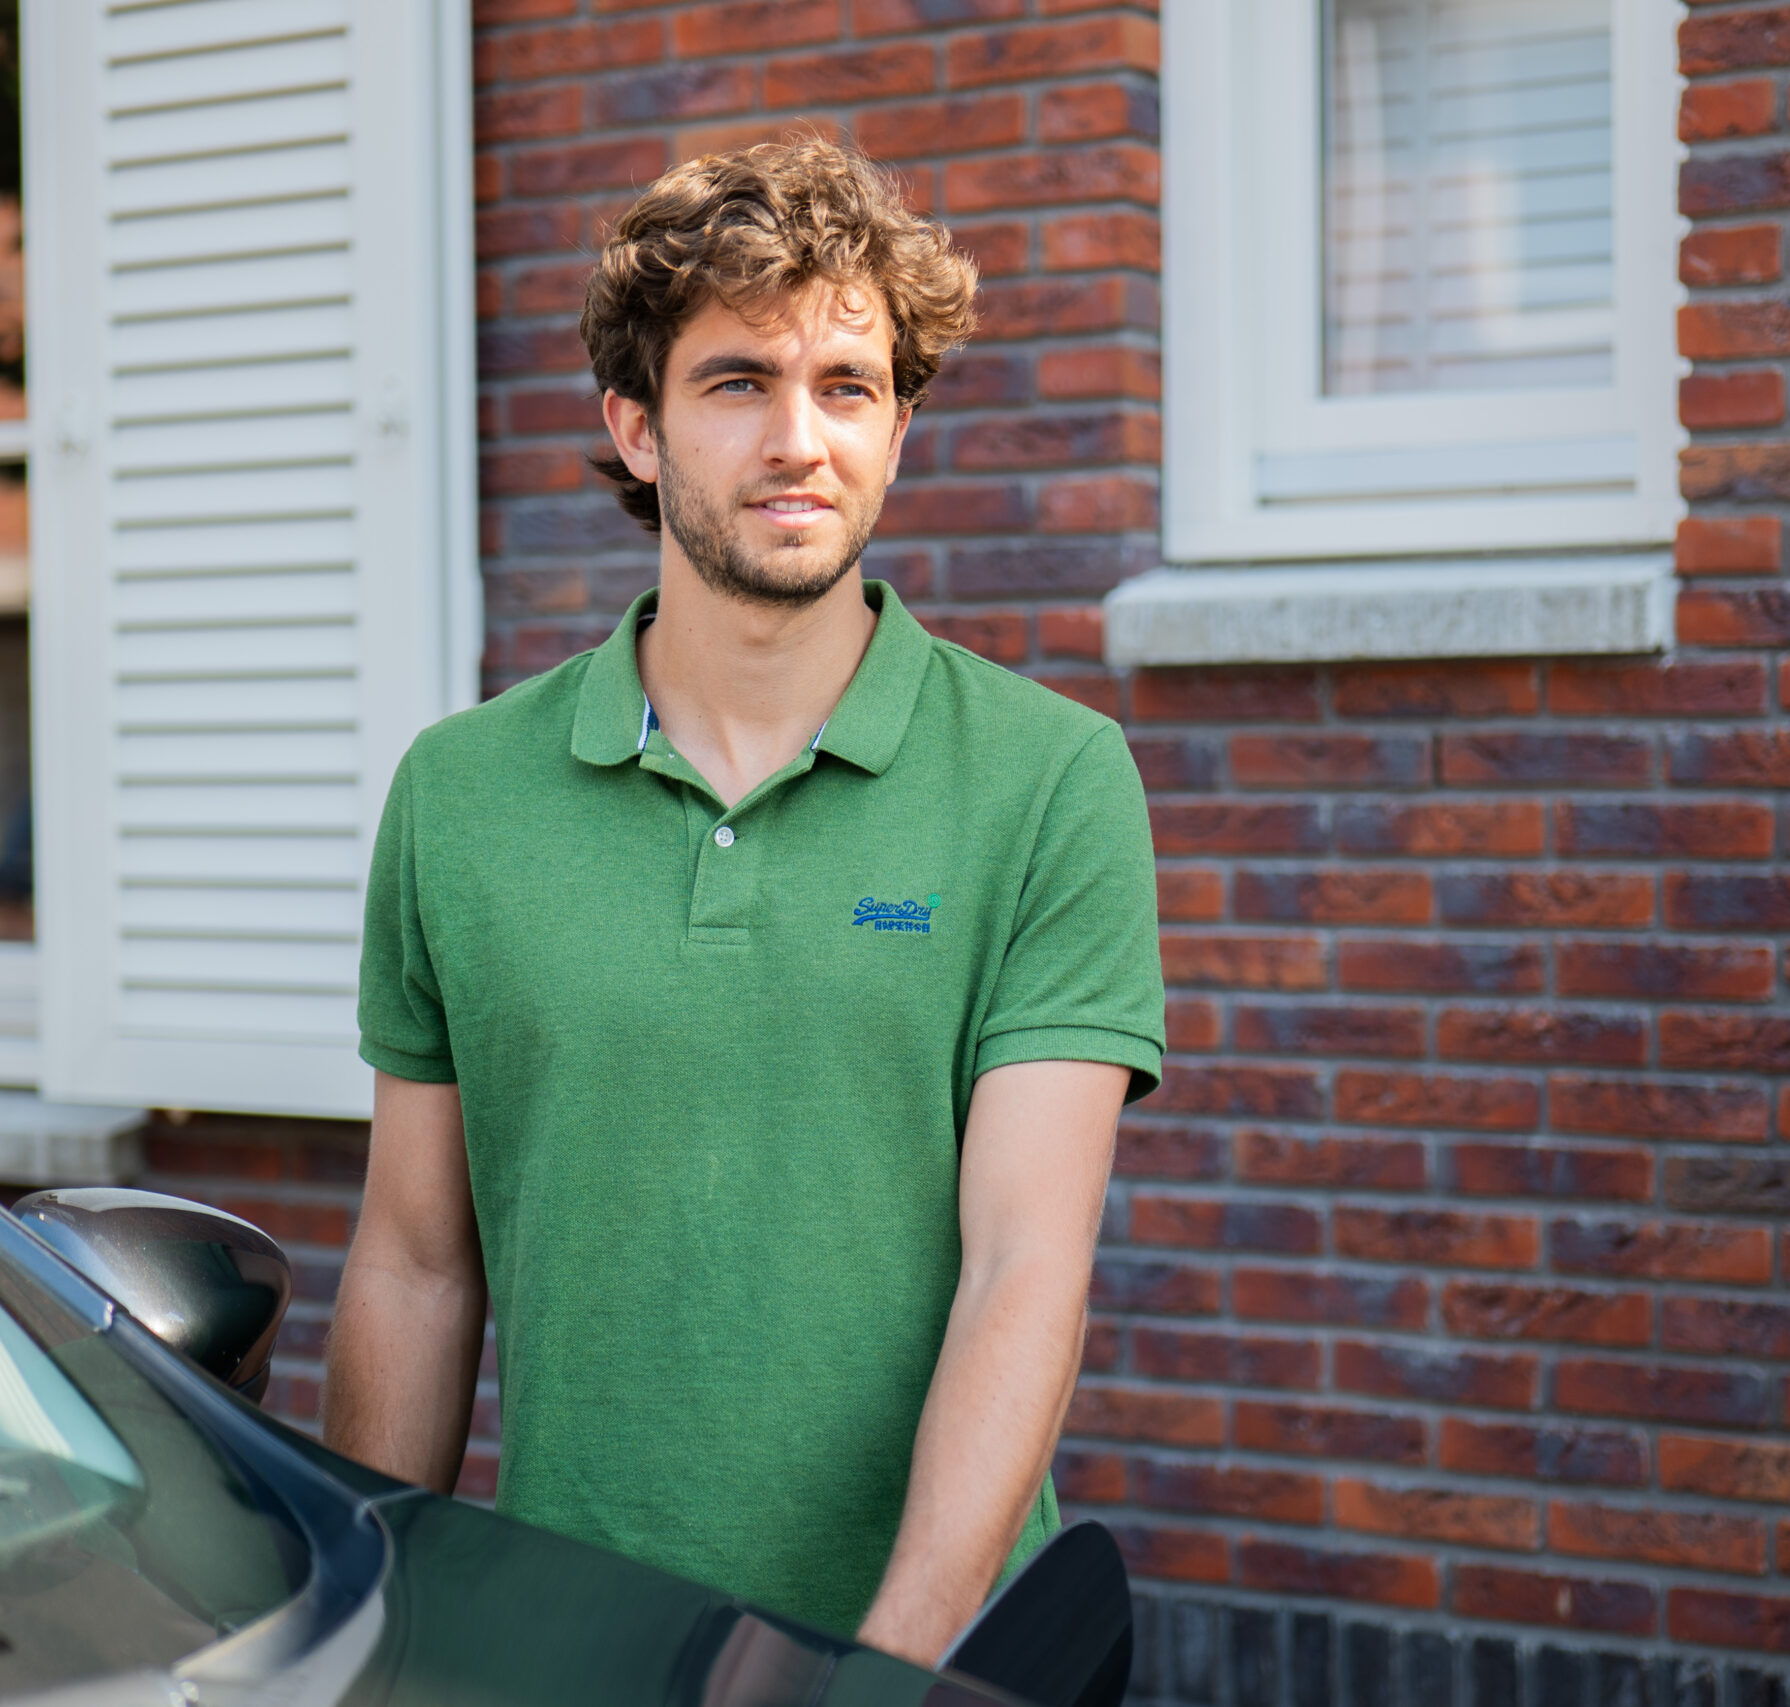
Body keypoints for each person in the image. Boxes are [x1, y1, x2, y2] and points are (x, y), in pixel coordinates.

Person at [323, 137, 1163, 1666]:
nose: (799, 439)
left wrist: (888, 1672)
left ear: (901, 427)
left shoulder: (1053, 783)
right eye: (736, 384)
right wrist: (373, 1628)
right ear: (635, 428)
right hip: (560, 1645)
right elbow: (415, 1261)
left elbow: (1024, 1272)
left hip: (924, 1659)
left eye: (847, 387)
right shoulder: (459, 795)